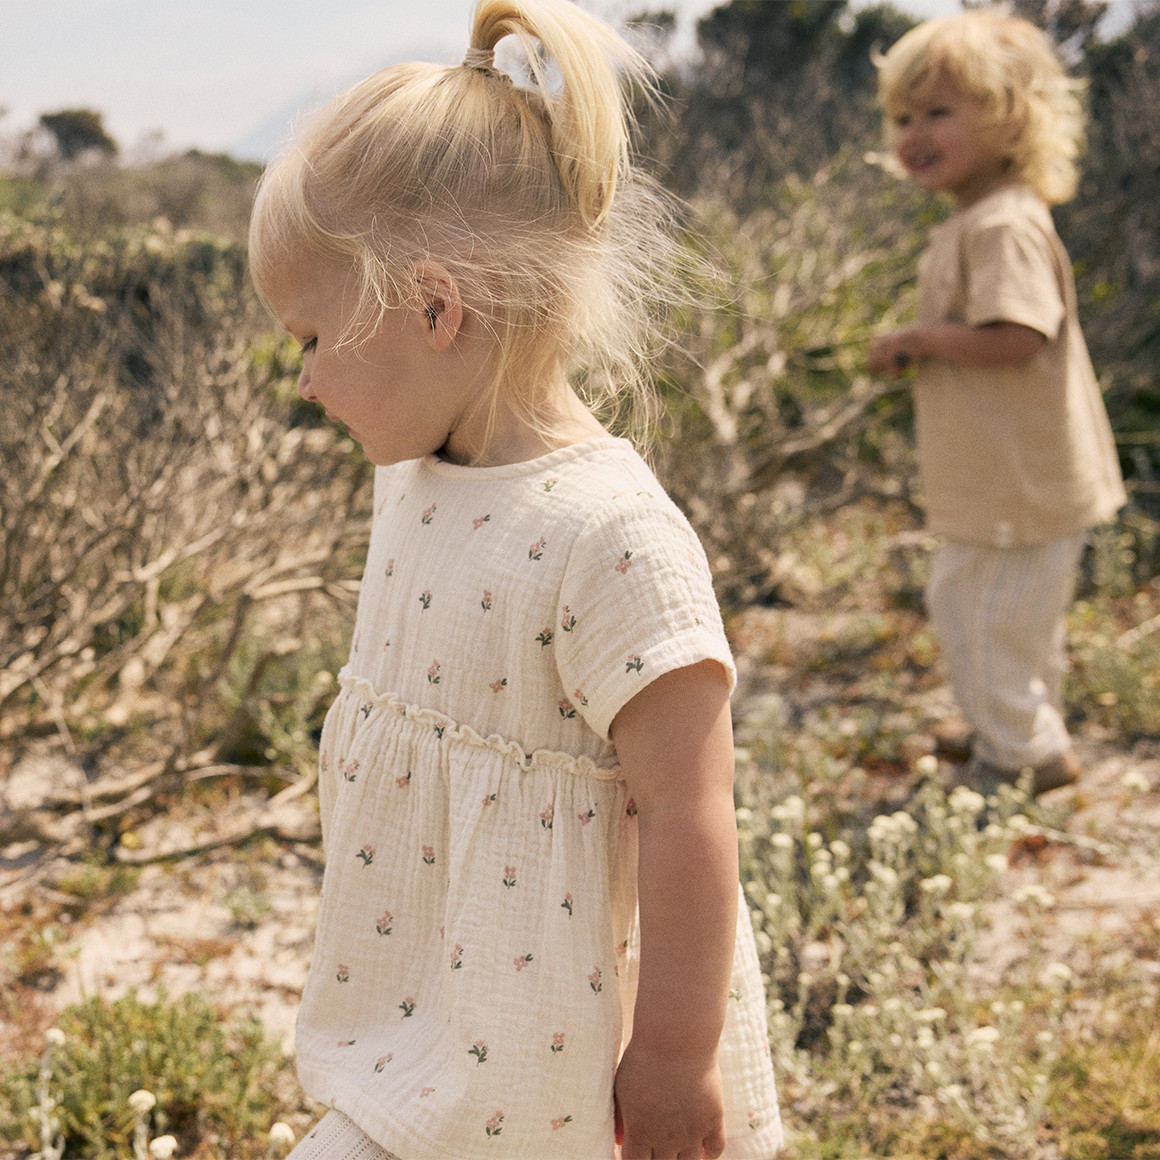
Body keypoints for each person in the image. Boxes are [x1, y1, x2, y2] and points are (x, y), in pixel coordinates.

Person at [247, 2, 782, 1157]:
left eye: (307, 338)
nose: (303, 382)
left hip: (559, 1074)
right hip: (430, 1028)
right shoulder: (413, 480)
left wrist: (674, 1057)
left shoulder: (610, 534)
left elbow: (689, 816)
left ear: (432, 307)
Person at [867, 9, 1126, 796]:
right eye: (903, 117)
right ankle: (1013, 724)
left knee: (976, 613)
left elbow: (1018, 335)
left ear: (1010, 118)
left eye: (938, 112)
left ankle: (1022, 755)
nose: (915, 133)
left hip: (1017, 485)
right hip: (1012, 479)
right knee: (1016, 621)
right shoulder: (978, 219)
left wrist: (919, 338)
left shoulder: (1003, 224)